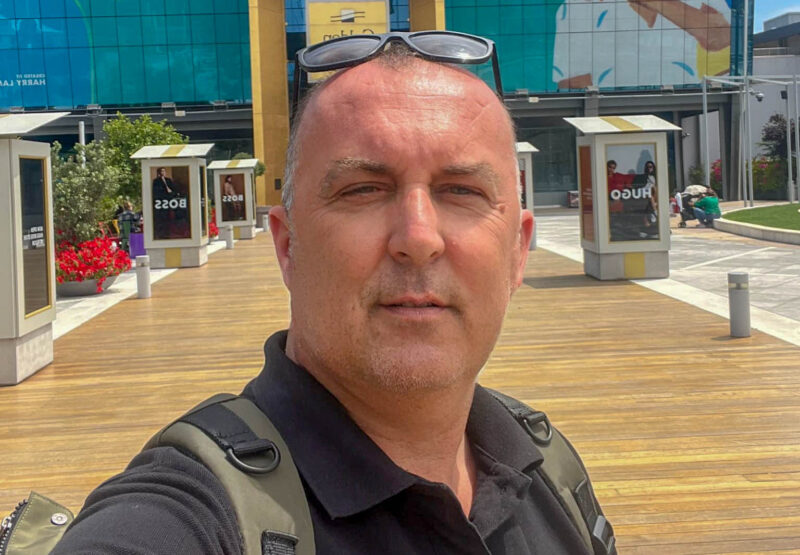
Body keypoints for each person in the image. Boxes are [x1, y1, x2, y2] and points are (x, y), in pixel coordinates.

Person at [54, 34, 608, 555]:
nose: (418, 238)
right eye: (363, 189)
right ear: (288, 247)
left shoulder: (551, 466)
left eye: (461, 191)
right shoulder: (190, 510)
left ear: (518, 252)